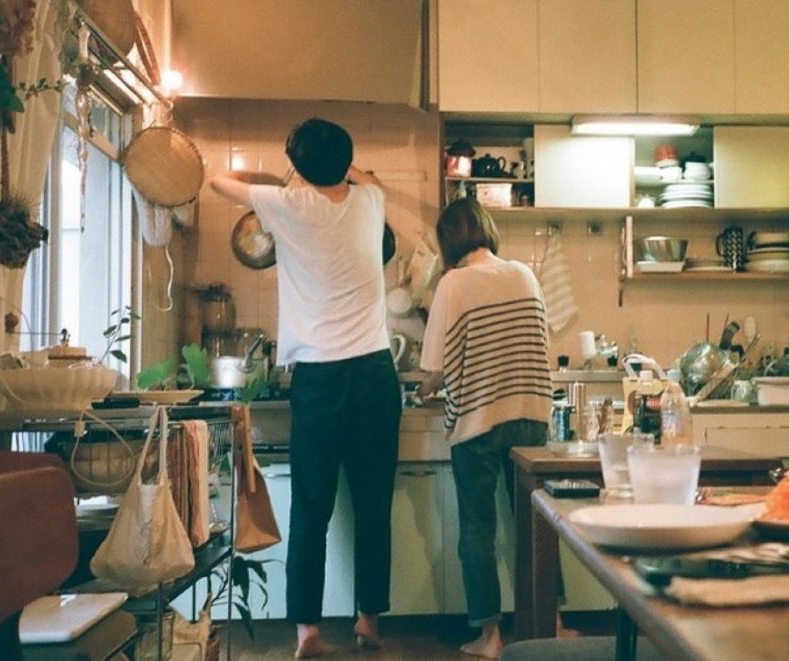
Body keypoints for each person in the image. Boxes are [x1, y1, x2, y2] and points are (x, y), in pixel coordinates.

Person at [209, 118, 401, 659]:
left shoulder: (288, 205)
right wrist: (343, 169)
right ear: (345, 160)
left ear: (299, 164)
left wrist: (282, 179)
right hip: (374, 375)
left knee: (311, 509)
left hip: (319, 378)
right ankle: (368, 620)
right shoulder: (370, 203)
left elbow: (217, 181)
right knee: (373, 506)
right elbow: (370, 181)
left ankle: (307, 633)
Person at [417, 197, 551, 659]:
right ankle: (552, 623)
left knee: (478, 530)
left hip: (478, 421)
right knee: (538, 528)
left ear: (448, 241)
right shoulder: (525, 275)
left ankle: (490, 638)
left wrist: (424, 389)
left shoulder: (453, 284)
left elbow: (435, 367)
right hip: (531, 416)